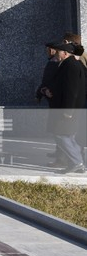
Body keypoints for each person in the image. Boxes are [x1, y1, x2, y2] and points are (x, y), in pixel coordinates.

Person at [41, 42, 86, 174]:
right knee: (69, 136)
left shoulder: (70, 65)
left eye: (58, 51)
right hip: (69, 108)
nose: (56, 54)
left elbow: (72, 90)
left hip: (67, 110)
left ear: (65, 53)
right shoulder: (69, 64)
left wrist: (68, 111)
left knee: (61, 135)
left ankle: (77, 162)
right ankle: (78, 163)